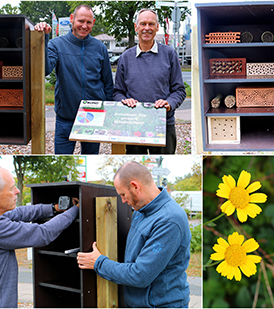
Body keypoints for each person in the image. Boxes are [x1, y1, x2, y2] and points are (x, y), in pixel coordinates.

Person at [0, 165, 79, 308]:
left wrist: (54, 208)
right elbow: (43, 233)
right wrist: (76, 210)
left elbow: (19, 213)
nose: (17, 191)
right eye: (12, 188)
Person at [77, 161, 191, 308]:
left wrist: (98, 262)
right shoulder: (140, 210)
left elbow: (141, 275)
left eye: (123, 194)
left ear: (135, 186)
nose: (123, 200)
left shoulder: (169, 220)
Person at [34, 5, 113, 154]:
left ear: (93, 22)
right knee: (62, 156)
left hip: (93, 116)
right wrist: (42, 37)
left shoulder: (100, 47)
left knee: (91, 157)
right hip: (66, 117)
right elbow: (44, 70)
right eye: (81, 21)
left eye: (89, 22)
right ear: (72, 19)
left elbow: (108, 82)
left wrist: (108, 112)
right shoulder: (56, 45)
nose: (84, 26)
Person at [114, 9, 186, 154]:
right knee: (136, 167)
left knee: (163, 166)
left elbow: (179, 90)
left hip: (163, 124)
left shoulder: (169, 54)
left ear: (157, 27)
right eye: (143, 24)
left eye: (151, 24)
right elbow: (117, 92)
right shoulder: (125, 58)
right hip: (135, 125)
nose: (147, 28)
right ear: (136, 27)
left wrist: (169, 103)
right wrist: (125, 100)